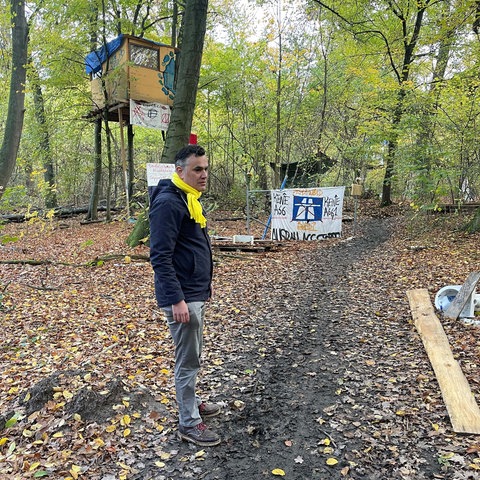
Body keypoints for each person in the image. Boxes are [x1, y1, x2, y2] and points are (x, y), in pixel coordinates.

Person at [149, 144, 221, 447]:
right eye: (197, 169)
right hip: (182, 297)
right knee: (187, 360)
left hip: (193, 292)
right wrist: (177, 300)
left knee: (194, 356)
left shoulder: (189, 198)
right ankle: (189, 423)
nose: (204, 174)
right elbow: (160, 257)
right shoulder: (169, 203)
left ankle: (192, 402)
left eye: (205, 168)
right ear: (180, 171)